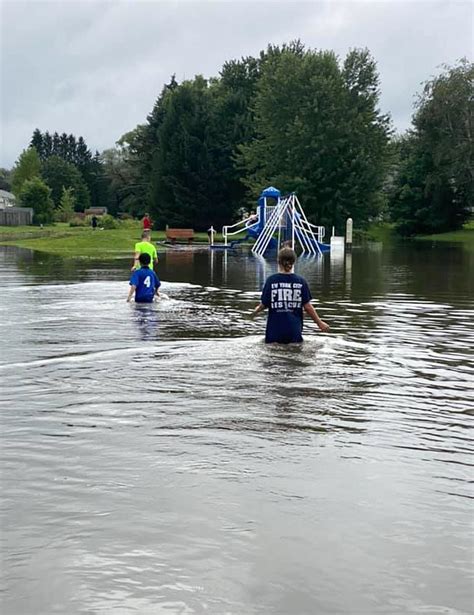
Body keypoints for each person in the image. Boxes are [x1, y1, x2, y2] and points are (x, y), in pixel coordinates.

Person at [250, 247, 330, 343]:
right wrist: (319, 323)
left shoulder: (271, 281)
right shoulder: (301, 282)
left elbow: (264, 304)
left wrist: (254, 312)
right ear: (294, 262)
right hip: (294, 331)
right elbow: (308, 307)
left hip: (274, 332)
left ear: (278, 261)